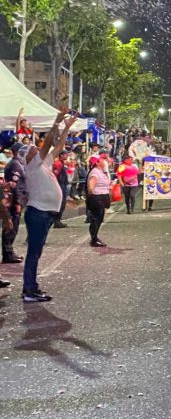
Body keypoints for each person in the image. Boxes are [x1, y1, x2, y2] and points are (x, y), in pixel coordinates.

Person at [21, 110, 79, 302]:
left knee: (36, 252)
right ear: (27, 157)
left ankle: (32, 288)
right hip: (38, 213)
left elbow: (58, 146)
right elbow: (47, 144)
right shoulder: (32, 166)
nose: (36, 150)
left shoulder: (42, 163)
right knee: (33, 253)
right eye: (32, 150)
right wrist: (56, 122)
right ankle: (29, 290)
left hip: (44, 214)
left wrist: (67, 128)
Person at [86, 154, 113, 247]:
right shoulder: (95, 172)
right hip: (97, 198)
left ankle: (94, 238)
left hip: (101, 197)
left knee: (99, 219)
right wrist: (94, 198)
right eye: (102, 159)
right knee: (96, 219)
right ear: (97, 162)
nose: (104, 161)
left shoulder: (100, 171)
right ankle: (94, 239)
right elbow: (90, 188)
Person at [52, 153, 69, 228]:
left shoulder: (61, 163)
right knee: (60, 203)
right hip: (59, 185)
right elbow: (55, 174)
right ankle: (56, 220)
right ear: (61, 155)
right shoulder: (58, 163)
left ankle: (57, 220)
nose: (67, 156)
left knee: (62, 203)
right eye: (65, 154)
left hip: (62, 184)